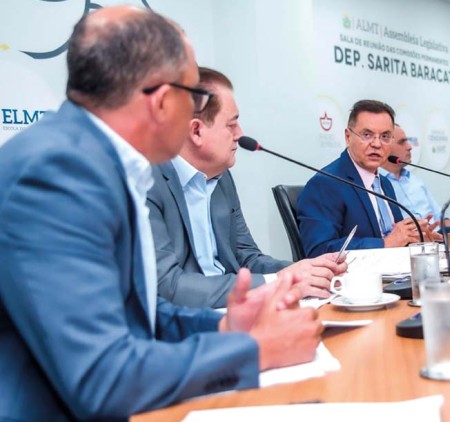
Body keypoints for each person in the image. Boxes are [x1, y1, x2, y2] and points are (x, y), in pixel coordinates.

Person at [0, 7, 321, 420]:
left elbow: (139, 314)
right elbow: (102, 378)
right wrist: (257, 350)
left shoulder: (98, 160)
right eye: (194, 96)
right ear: (163, 99)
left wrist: (226, 328)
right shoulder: (57, 174)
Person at [147, 67, 346, 308]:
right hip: (187, 318)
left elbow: (247, 258)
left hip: (235, 307)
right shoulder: (147, 180)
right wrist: (279, 282)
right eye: (231, 125)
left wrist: (305, 271)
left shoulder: (222, 178)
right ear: (196, 131)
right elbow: (168, 286)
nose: (240, 135)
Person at [297, 99, 433, 258]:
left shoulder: (384, 183)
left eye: (385, 136)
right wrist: (385, 243)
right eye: (367, 135)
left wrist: (416, 240)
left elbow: (395, 242)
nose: (377, 144)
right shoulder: (325, 183)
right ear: (348, 137)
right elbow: (319, 250)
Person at [379, 124, 450, 240]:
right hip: (411, 245)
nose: (409, 147)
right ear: (386, 147)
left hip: (439, 241)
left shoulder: (415, 180)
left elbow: (442, 216)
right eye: (402, 142)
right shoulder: (377, 185)